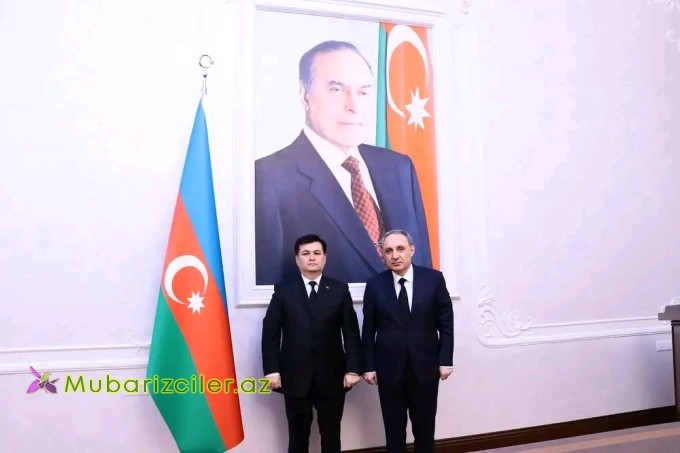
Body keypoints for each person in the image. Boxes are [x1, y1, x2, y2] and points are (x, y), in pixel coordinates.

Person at [254, 40, 432, 286]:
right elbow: (270, 291)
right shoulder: (268, 178)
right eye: (337, 90)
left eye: (363, 92)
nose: (353, 106)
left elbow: (424, 276)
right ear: (304, 94)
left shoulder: (399, 168)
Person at [261, 234, 362, 453]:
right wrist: (272, 370)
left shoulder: (339, 290)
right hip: (294, 377)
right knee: (297, 438)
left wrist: (353, 369)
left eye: (317, 253)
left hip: (333, 377)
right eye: (306, 254)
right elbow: (270, 335)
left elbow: (351, 334)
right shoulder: (283, 291)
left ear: (325, 258)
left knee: (331, 436)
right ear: (297, 259)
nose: (312, 258)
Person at [361, 229, 454, 453]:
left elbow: (446, 324)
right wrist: (369, 366)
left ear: (412, 250)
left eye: (400, 249)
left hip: (426, 367)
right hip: (388, 369)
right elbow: (368, 330)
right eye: (389, 251)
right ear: (383, 254)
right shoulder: (374, 285)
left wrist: (445, 360)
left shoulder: (433, 279)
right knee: (394, 432)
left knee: (425, 430)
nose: (395, 255)